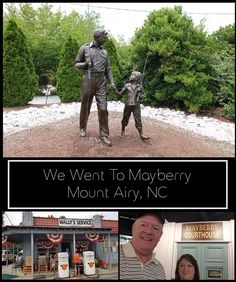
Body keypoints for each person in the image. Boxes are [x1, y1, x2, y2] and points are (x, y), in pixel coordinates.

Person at [74, 28, 117, 146]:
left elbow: (108, 69)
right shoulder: (85, 48)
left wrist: (111, 82)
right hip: (88, 80)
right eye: (104, 36)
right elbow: (76, 64)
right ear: (97, 37)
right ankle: (82, 127)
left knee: (103, 108)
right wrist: (85, 64)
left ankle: (104, 134)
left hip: (101, 82)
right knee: (85, 106)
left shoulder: (105, 52)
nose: (106, 38)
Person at [120, 212, 166, 280]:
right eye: (143, 225)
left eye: (155, 228)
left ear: (160, 235)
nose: (148, 231)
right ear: (133, 228)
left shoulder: (160, 269)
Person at [116, 71, 150, 140]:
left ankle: (141, 134)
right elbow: (120, 94)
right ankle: (122, 131)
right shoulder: (127, 86)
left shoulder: (139, 87)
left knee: (138, 119)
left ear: (137, 78)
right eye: (131, 74)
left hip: (136, 106)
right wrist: (115, 89)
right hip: (128, 105)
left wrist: (140, 94)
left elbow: (143, 95)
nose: (131, 76)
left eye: (133, 75)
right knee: (125, 118)